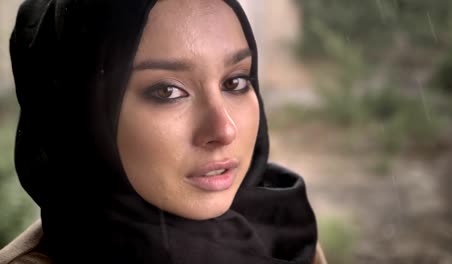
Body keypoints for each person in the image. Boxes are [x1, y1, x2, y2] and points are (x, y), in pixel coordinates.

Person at [0, 0, 327, 263]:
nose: (224, 130)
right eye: (167, 91)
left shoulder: (283, 232)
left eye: (235, 82)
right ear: (82, 114)